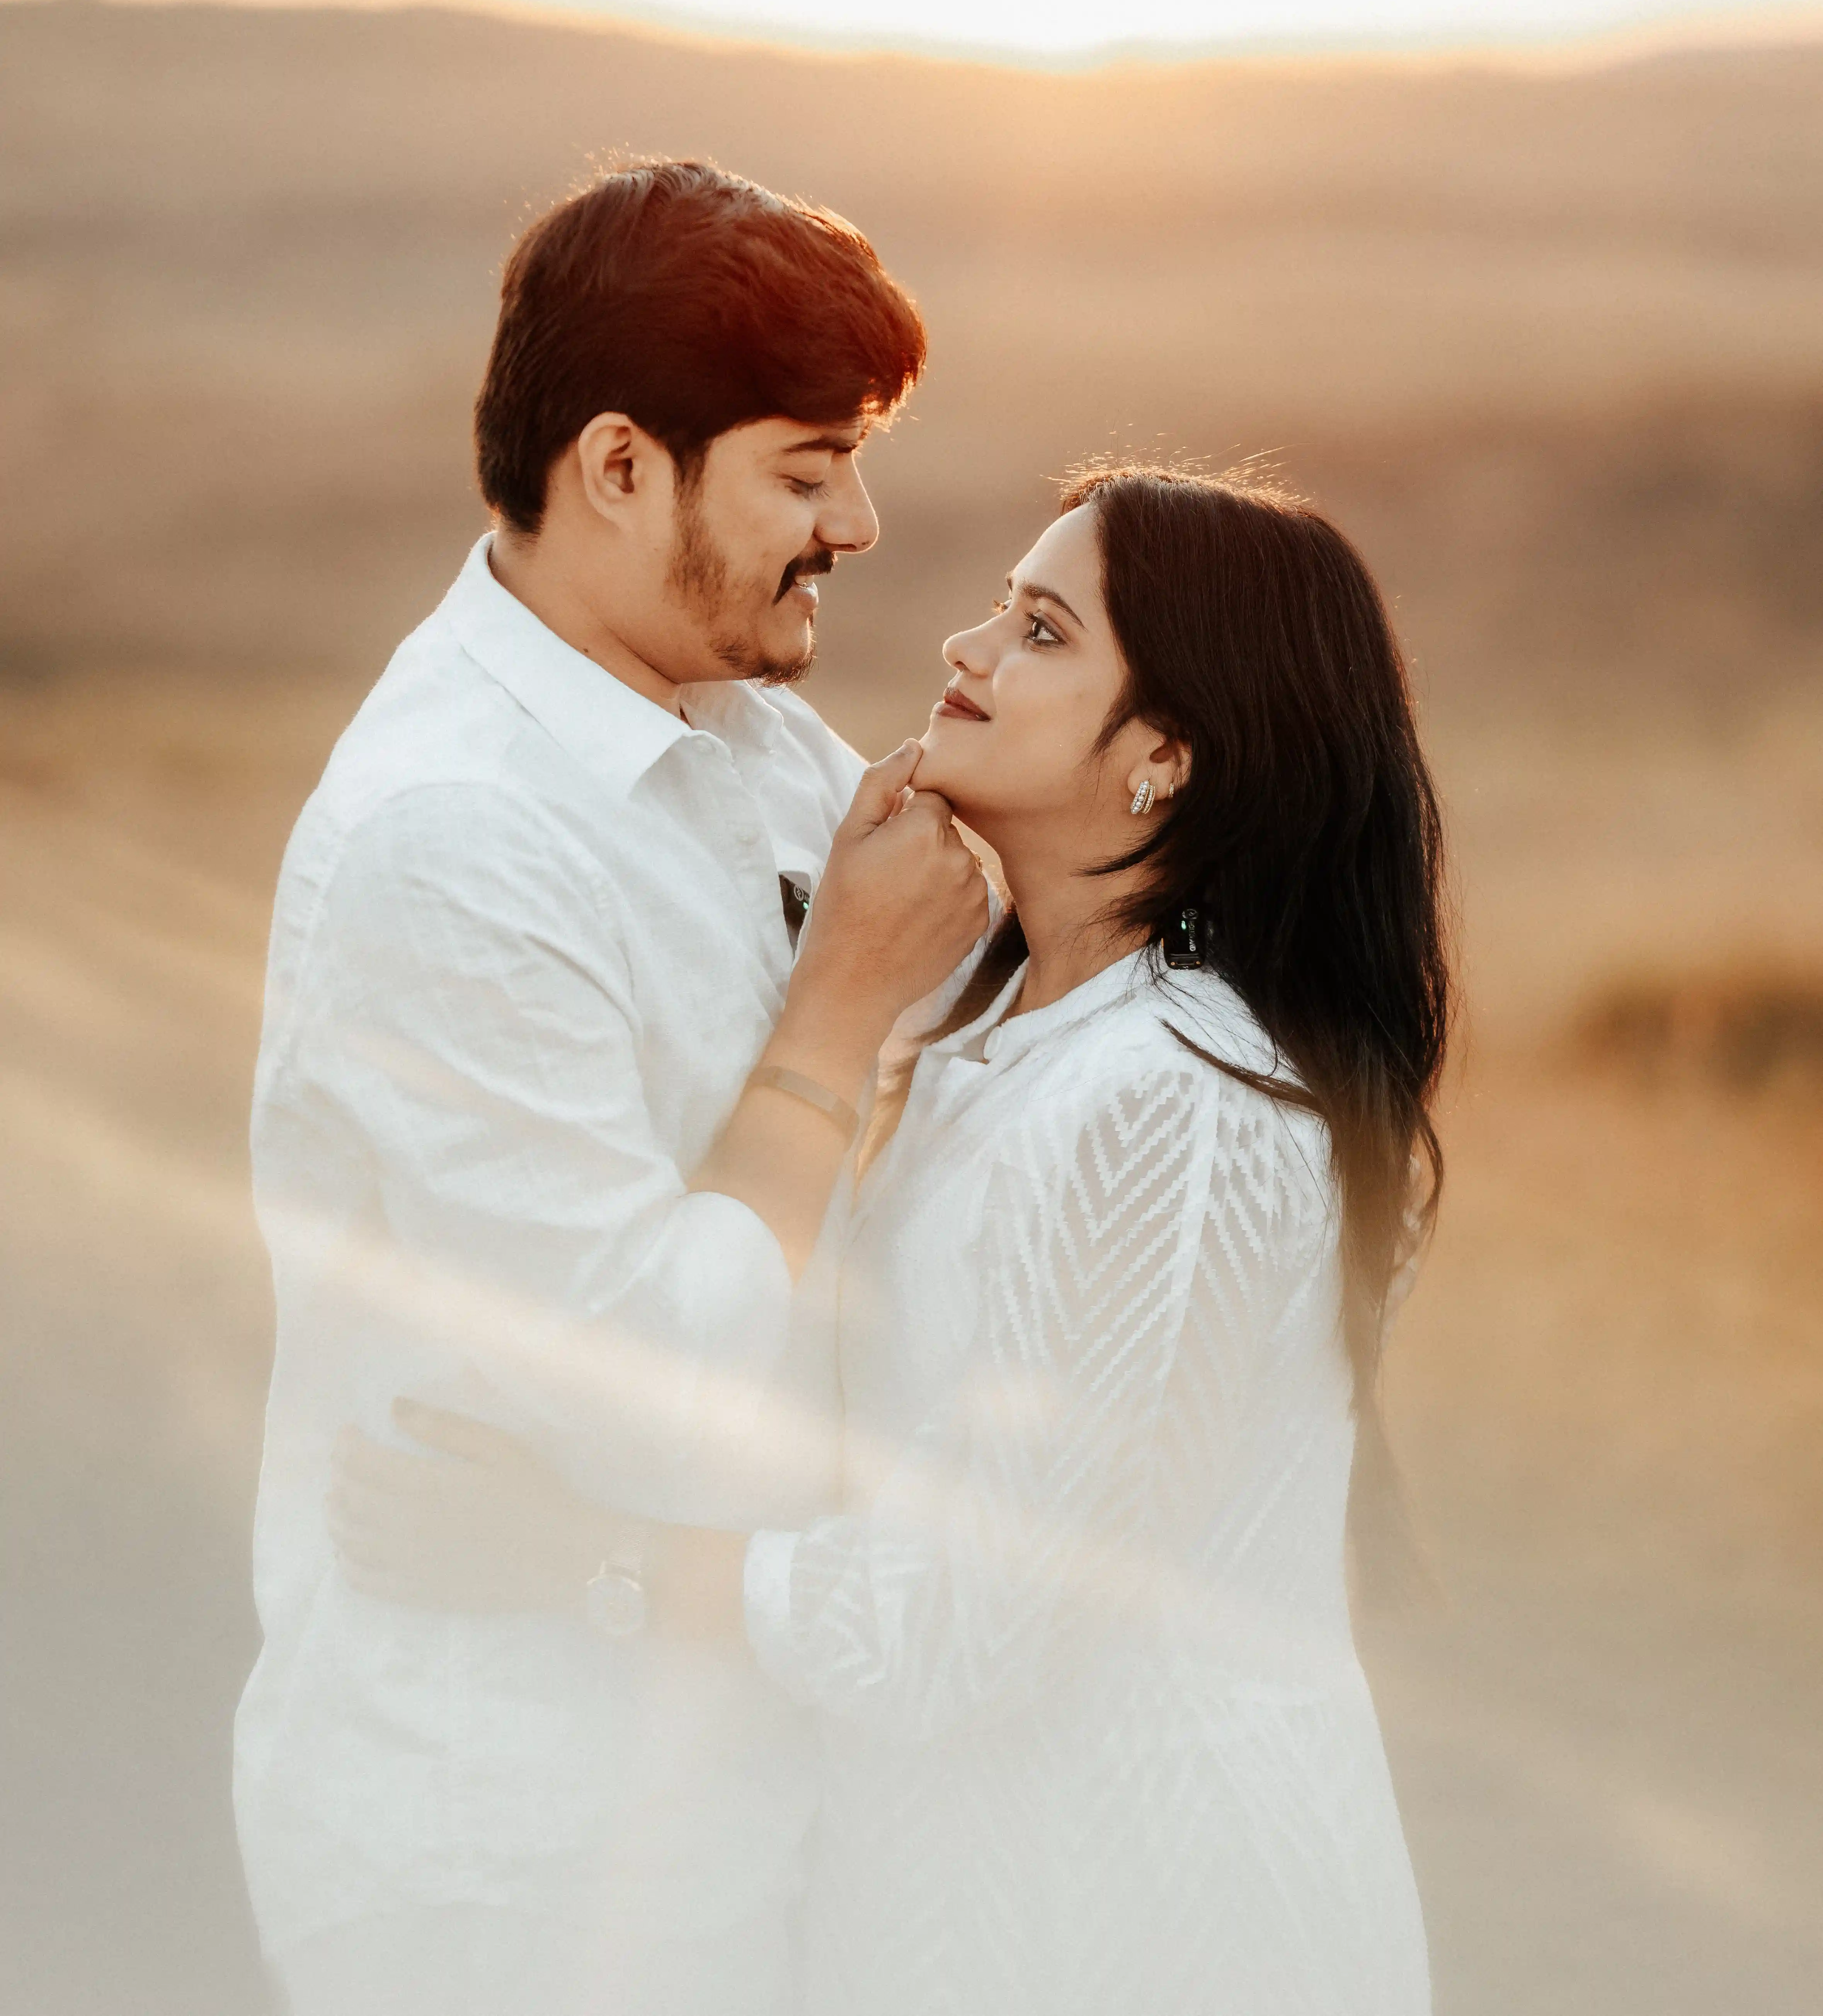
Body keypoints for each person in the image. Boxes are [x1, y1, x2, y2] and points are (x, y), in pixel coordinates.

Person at [332, 461, 1452, 2015]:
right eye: (1004, 603)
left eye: (1045, 631)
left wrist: (581, 1557)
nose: (967, 648)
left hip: (1155, 1930)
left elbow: (971, 1614)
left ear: (1169, 759)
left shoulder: (1174, 1097)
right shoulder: (1019, 1029)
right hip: (973, 1910)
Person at [235, 158, 990, 2016]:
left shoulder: (727, 724)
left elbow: (986, 995)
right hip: (513, 1856)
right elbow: (647, 1390)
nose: (864, 524)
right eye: (809, 470)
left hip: (730, 1798)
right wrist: (832, 1022)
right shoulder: (453, 841)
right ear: (623, 466)